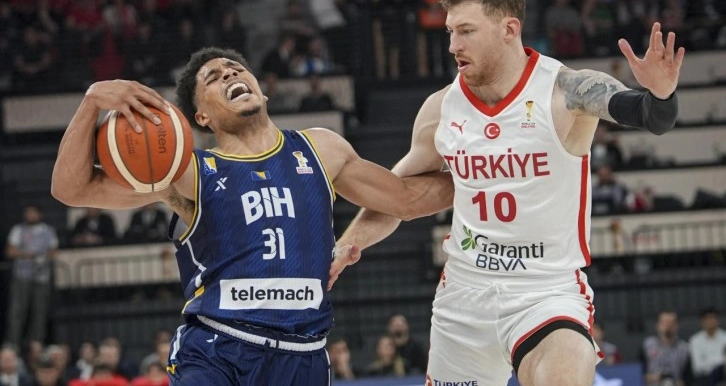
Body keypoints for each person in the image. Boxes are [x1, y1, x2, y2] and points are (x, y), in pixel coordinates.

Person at [330, 0, 684, 385]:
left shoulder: (567, 90)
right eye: (450, 32)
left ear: (509, 29)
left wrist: (661, 94)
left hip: (545, 292)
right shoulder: (442, 108)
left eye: (466, 31)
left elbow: (649, 115)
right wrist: (347, 245)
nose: (453, 46)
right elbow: (397, 196)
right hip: (465, 294)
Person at [51, 47, 453, 386]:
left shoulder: (320, 150)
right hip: (217, 351)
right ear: (201, 117)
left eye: (236, 69)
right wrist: (92, 101)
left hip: (304, 357)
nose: (229, 73)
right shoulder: (189, 172)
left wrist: (480, 176)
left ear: (262, 90)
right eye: (213, 78)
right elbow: (72, 188)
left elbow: (405, 199)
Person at [4, 204, 58, 348]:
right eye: (28, 213)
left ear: (40, 214)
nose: (30, 215)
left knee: (40, 312)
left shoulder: (48, 230)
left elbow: (54, 251)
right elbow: (10, 251)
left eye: (33, 213)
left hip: (42, 277)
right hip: (22, 276)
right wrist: (27, 255)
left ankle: (36, 344)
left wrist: (42, 256)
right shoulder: (18, 230)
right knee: (17, 311)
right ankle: (13, 343)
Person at [642, 311, 689, 386]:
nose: (668, 326)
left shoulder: (684, 348)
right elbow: (638, 372)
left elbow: (689, 377)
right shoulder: (648, 345)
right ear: (658, 325)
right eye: (664, 323)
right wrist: (651, 377)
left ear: (677, 325)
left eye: (671, 323)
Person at [689, 308, 726, 384]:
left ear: (718, 321)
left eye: (713, 318)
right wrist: (720, 362)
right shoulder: (695, 340)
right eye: (707, 319)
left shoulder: (725, 337)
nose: (710, 321)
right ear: (702, 322)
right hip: (705, 378)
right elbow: (698, 367)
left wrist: (707, 360)